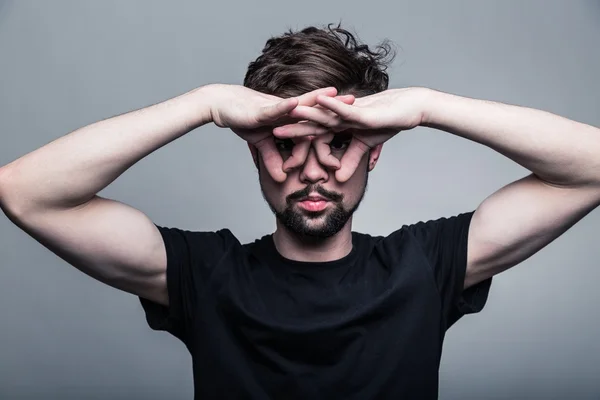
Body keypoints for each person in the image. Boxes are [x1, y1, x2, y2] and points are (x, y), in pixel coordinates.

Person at [0, 23, 599, 399]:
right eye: (287, 146)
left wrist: (421, 106)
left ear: (373, 155)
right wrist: (206, 104)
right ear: (256, 155)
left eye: (339, 144)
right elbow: (25, 192)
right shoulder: (204, 274)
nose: (314, 171)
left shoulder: (427, 264)